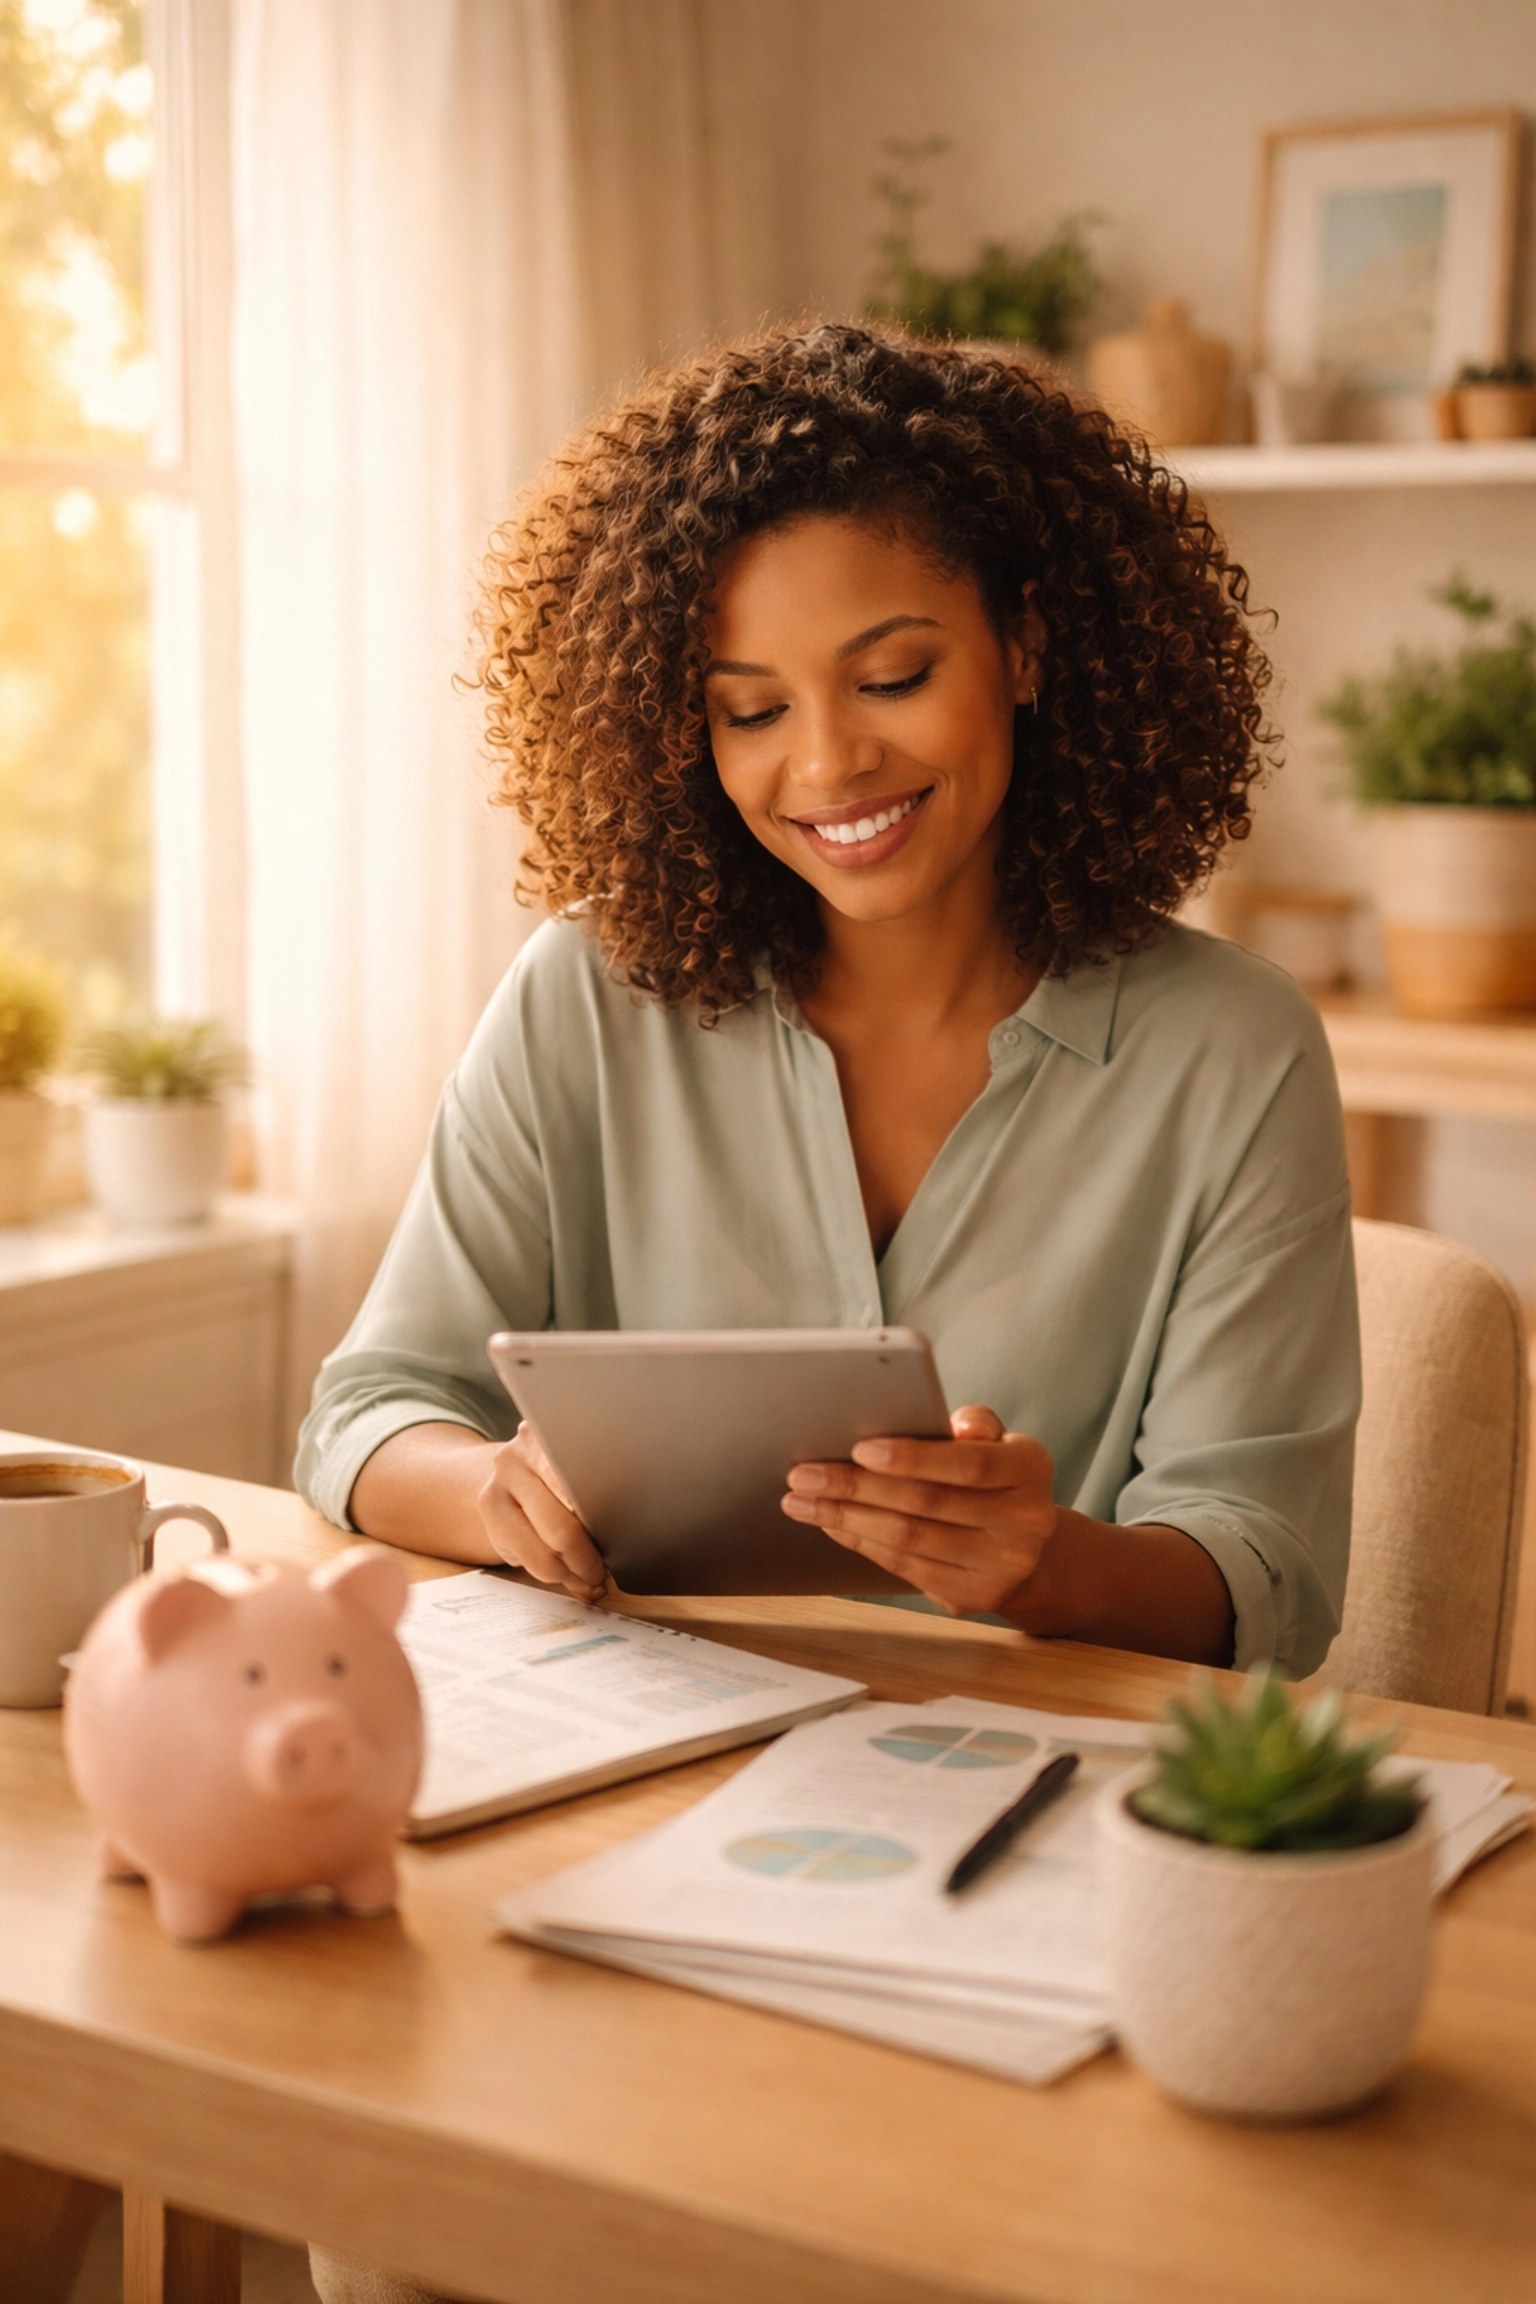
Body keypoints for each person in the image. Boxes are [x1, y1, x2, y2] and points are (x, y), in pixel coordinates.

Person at [301, 323, 1359, 2303]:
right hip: (614, 1821)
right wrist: (489, 1495)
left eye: (893, 676)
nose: (828, 768)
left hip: (1025, 1879)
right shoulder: (584, 1001)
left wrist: (1048, 1565)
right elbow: (372, 1404)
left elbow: (1266, 1578)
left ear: (1026, 644)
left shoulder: (1236, 1056)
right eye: (748, 707)